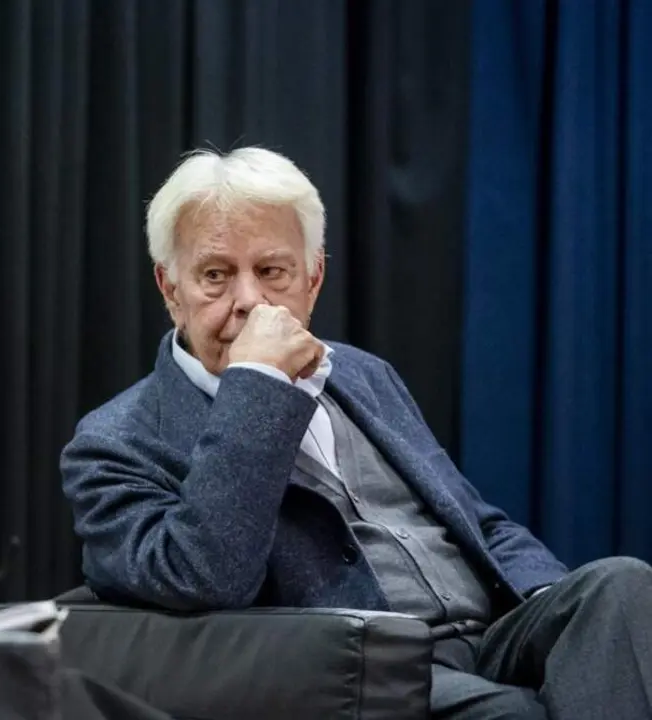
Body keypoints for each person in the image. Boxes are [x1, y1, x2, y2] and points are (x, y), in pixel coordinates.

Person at [61, 147, 652, 719]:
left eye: (272, 272)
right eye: (215, 275)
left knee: (621, 585)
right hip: (361, 668)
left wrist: (551, 609)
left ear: (312, 280)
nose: (248, 301)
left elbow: (475, 521)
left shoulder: (364, 374)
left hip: (489, 635)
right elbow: (206, 578)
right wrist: (258, 385)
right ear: (170, 290)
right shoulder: (114, 443)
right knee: (515, 711)